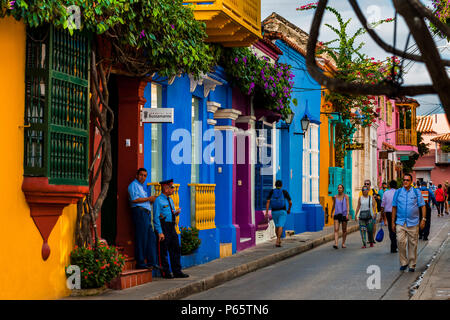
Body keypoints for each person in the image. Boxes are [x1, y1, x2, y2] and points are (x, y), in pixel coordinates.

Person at [154, 179, 189, 279]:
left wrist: (175, 213)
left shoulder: (170, 200)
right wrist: (160, 232)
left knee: (175, 249)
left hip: (171, 227)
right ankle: (165, 273)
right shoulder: (158, 200)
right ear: (165, 188)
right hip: (163, 226)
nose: (173, 189)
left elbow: (171, 212)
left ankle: (177, 271)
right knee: (163, 251)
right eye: (171, 187)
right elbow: (156, 217)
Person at [392, 173, 426, 272]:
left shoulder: (416, 192)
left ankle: (412, 264)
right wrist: (392, 222)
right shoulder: (398, 192)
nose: (405, 181)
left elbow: (423, 206)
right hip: (400, 222)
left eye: (407, 180)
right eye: (404, 180)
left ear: (411, 182)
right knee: (400, 242)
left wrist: (423, 219)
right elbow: (394, 207)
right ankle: (404, 262)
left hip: (413, 223)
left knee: (413, 244)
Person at [127, 168, 159, 270]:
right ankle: (140, 263)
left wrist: (151, 200)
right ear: (137, 175)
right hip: (139, 212)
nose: (143, 177)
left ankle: (152, 262)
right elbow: (135, 199)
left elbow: (143, 200)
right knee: (141, 238)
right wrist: (149, 199)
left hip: (146, 213)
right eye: (141, 175)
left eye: (145, 175)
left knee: (151, 237)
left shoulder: (142, 187)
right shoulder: (133, 185)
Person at [265, 180, 292, 248]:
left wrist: (267, 212)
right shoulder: (284, 192)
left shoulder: (272, 191)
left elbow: (268, 202)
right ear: (281, 185)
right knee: (280, 226)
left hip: (274, 211)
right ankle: (278, 239)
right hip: (282, 211)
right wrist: (289, 209)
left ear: (275, 185)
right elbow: (290, 202)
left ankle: (278, 239)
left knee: (277, 226)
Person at [330, 184, 351, 249]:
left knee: (344, 230)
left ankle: (343, 243)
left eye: (340, 188)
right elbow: (333, 205)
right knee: (336, 229)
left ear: (343, 189)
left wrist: (347, 213)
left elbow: (347, 205)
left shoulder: (346, 196)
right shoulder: (335, 197)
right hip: (337, 214)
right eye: (338, 188)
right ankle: (336, 243)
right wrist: (331, 212)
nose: (339, 189)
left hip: (344, 214)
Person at [380, 180, 398, 253]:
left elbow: (382, 205)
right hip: (397, 213)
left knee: (391, 229)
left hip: (388, 213)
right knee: (397, 229)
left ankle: (393, 246)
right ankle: (395, 245)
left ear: (389, 186)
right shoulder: (398, 192)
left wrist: (382, 215)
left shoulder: (386, 193)